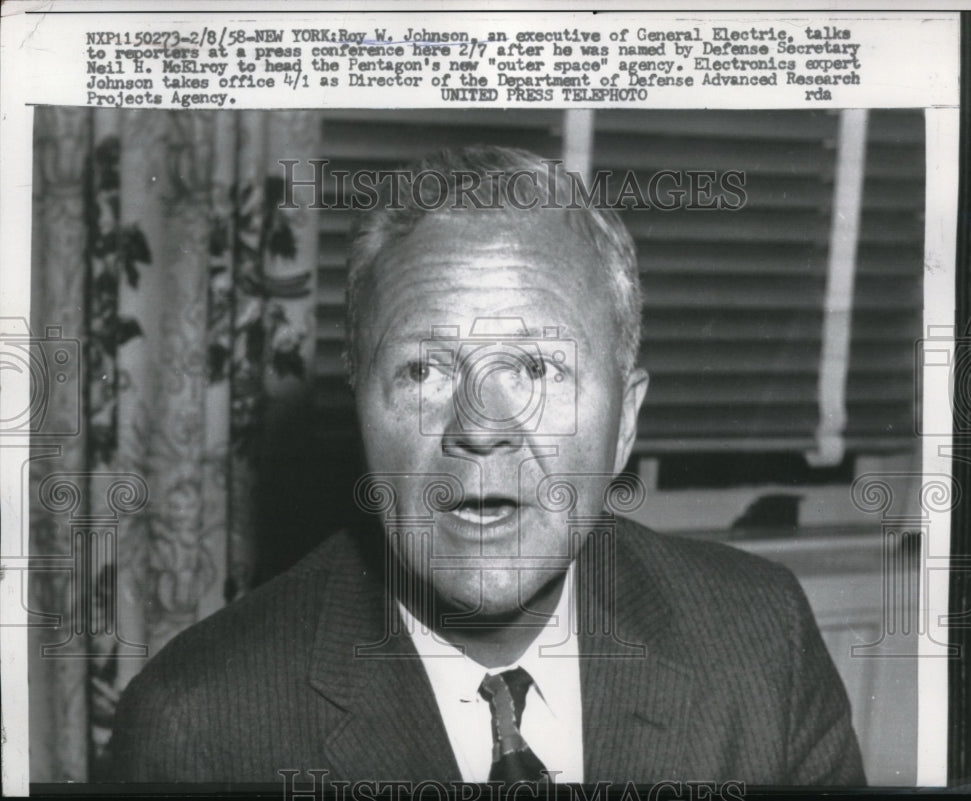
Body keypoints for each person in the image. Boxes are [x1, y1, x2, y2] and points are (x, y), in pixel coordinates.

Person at [109, 146, 865, 786]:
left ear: (626, 421)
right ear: (360, 414)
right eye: (423, 372)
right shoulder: (197, 729)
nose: (480, 430)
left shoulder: (764, 644)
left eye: (537, 368)